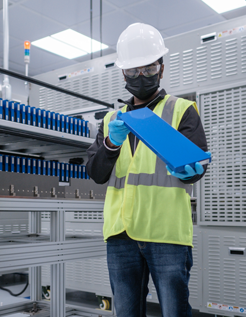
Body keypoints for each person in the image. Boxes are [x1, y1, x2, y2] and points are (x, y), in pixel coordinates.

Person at [86, 23, 210, 317]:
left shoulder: (182, 110)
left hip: (165, 232)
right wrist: (110, 145)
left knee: (174, 311)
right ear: (123, 73)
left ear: (161, 69)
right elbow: (96, 172)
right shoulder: (111, 120)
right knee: (126, 312)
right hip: (120, 234)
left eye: (149, 69)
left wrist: (191, 172)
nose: (141, 76)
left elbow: (196, 166)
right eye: (133, 71)